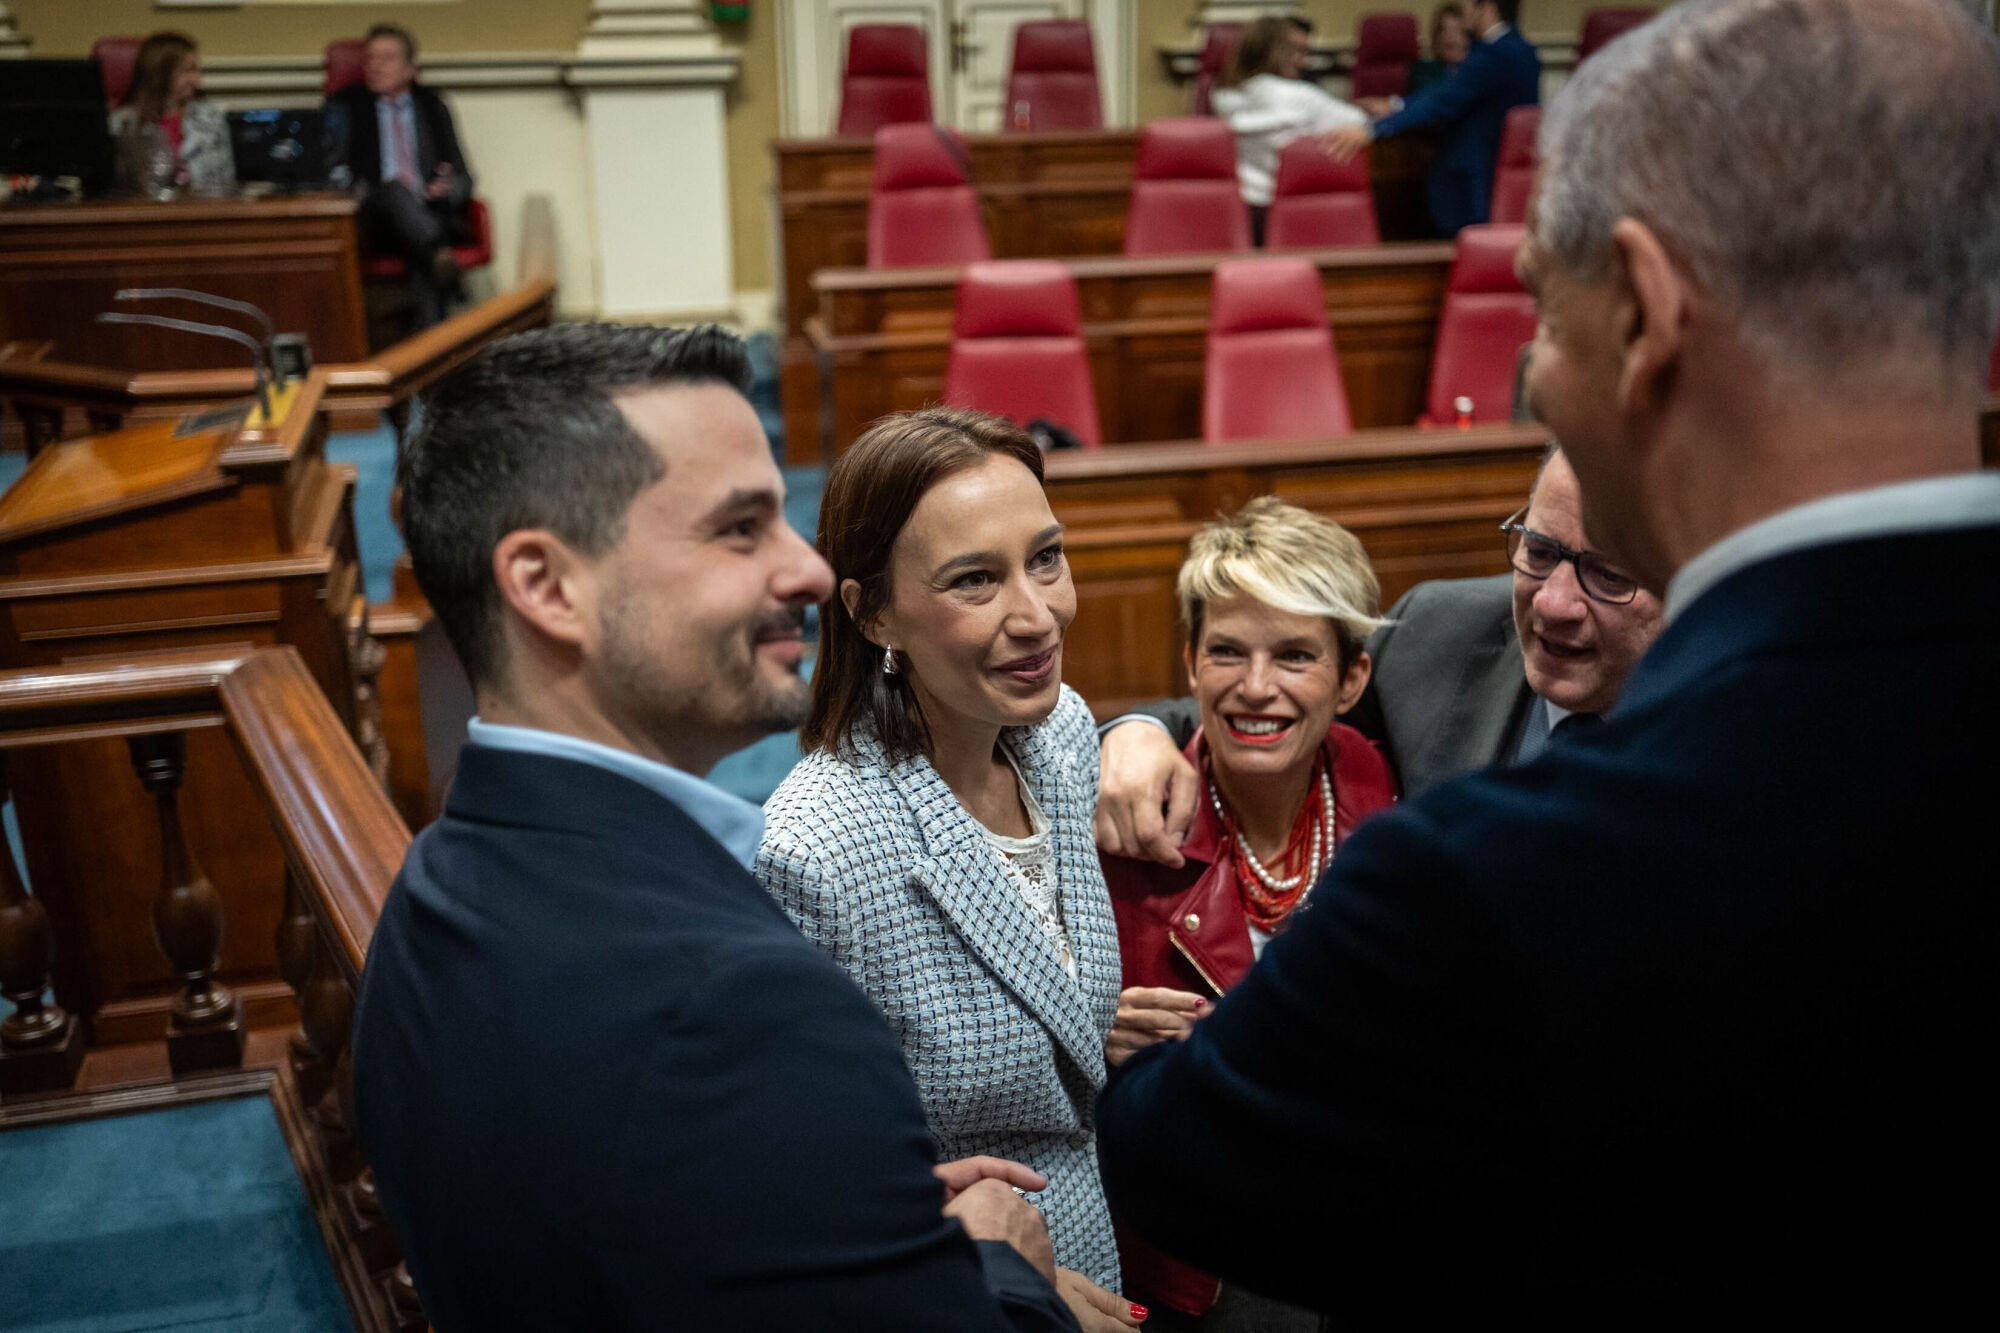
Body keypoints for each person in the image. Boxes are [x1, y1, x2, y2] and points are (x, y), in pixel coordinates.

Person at [1096, 0, 2000, 1315]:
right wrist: (1139, 726)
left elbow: (1180, 1162)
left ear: (1643, 312)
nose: (1533, 380)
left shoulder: (1505, 884)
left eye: (1546, 315)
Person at [352, 324, 1079, 1332]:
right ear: (546, 585)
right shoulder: (744, 1005)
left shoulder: (435, 881)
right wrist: (999, 1264)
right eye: (741, 529)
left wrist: (847, 1213)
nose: (811, 574)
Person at [757, 408, 1140, 1333]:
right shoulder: (813, 851)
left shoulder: (1062, 735)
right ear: (871, 611)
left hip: (1112, 1255)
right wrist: (1002, 1284)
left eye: (1045, 558)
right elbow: (796, 1189)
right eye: (976, 579)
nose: (1036, 613)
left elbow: (1062, 1046)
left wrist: (1146, 728)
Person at [1098, 499, 1395, 1330]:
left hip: (1384, 1236)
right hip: (1208, 1275)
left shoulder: (1402, 799)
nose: (1256, 686)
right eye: (1227, 650)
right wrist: (1088, 1032)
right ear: (1190, 663)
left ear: (1352, 679)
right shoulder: (1121, 835)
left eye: (1296, 655)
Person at [1095, 445, 1664, 864]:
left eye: (1609, 574)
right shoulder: (1439, 632)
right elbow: (1271, 702)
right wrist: (1139, 732)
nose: (1554, 603)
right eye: (1539, 552)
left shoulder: (1740, 730)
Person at [1327, 0, 1538, 237]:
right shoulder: (1522, 49)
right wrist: (1395, 104)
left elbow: (1445, 100)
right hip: (1502, 179)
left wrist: (1373, 129)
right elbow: (1448, 92)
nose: (1463, 10)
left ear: (1487, 6)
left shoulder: (1496, 53)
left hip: (1476, 180)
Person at [324, 23, 473, 330]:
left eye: (387, 59)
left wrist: (448, 187)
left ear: (410, 69)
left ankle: (434, 345)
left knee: (420, 252)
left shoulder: (432, 107)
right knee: (394, 189)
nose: (375, 67)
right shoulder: (346, 106)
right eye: (371, 59)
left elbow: (464, 176)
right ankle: (440, 252)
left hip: (425, 214)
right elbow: (329, 170)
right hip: (372, 217)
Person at [1207, 15, 1365, 246]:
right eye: (1295, 51)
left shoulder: (1221, 95)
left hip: (1239, 210)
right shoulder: (1299, 97)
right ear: (1276, 52)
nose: (1302, 61)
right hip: (1296, 212)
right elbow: (1359, 122)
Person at [108, 32, 236, 196]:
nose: (196, 80)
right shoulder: (122, 123)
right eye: (188, 70)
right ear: (160, 71)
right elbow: (115, 187)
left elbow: (226, 182)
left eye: (197, 71)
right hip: (142, 213)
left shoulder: (210, 119)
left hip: (202, 212)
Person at [1404, 3, 1469, 98]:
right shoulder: (1424, 70)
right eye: (1444, 30)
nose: (1450, 36)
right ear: (1436, 36)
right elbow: (1425, 99)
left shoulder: (1479, 68)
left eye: (1457, 30)